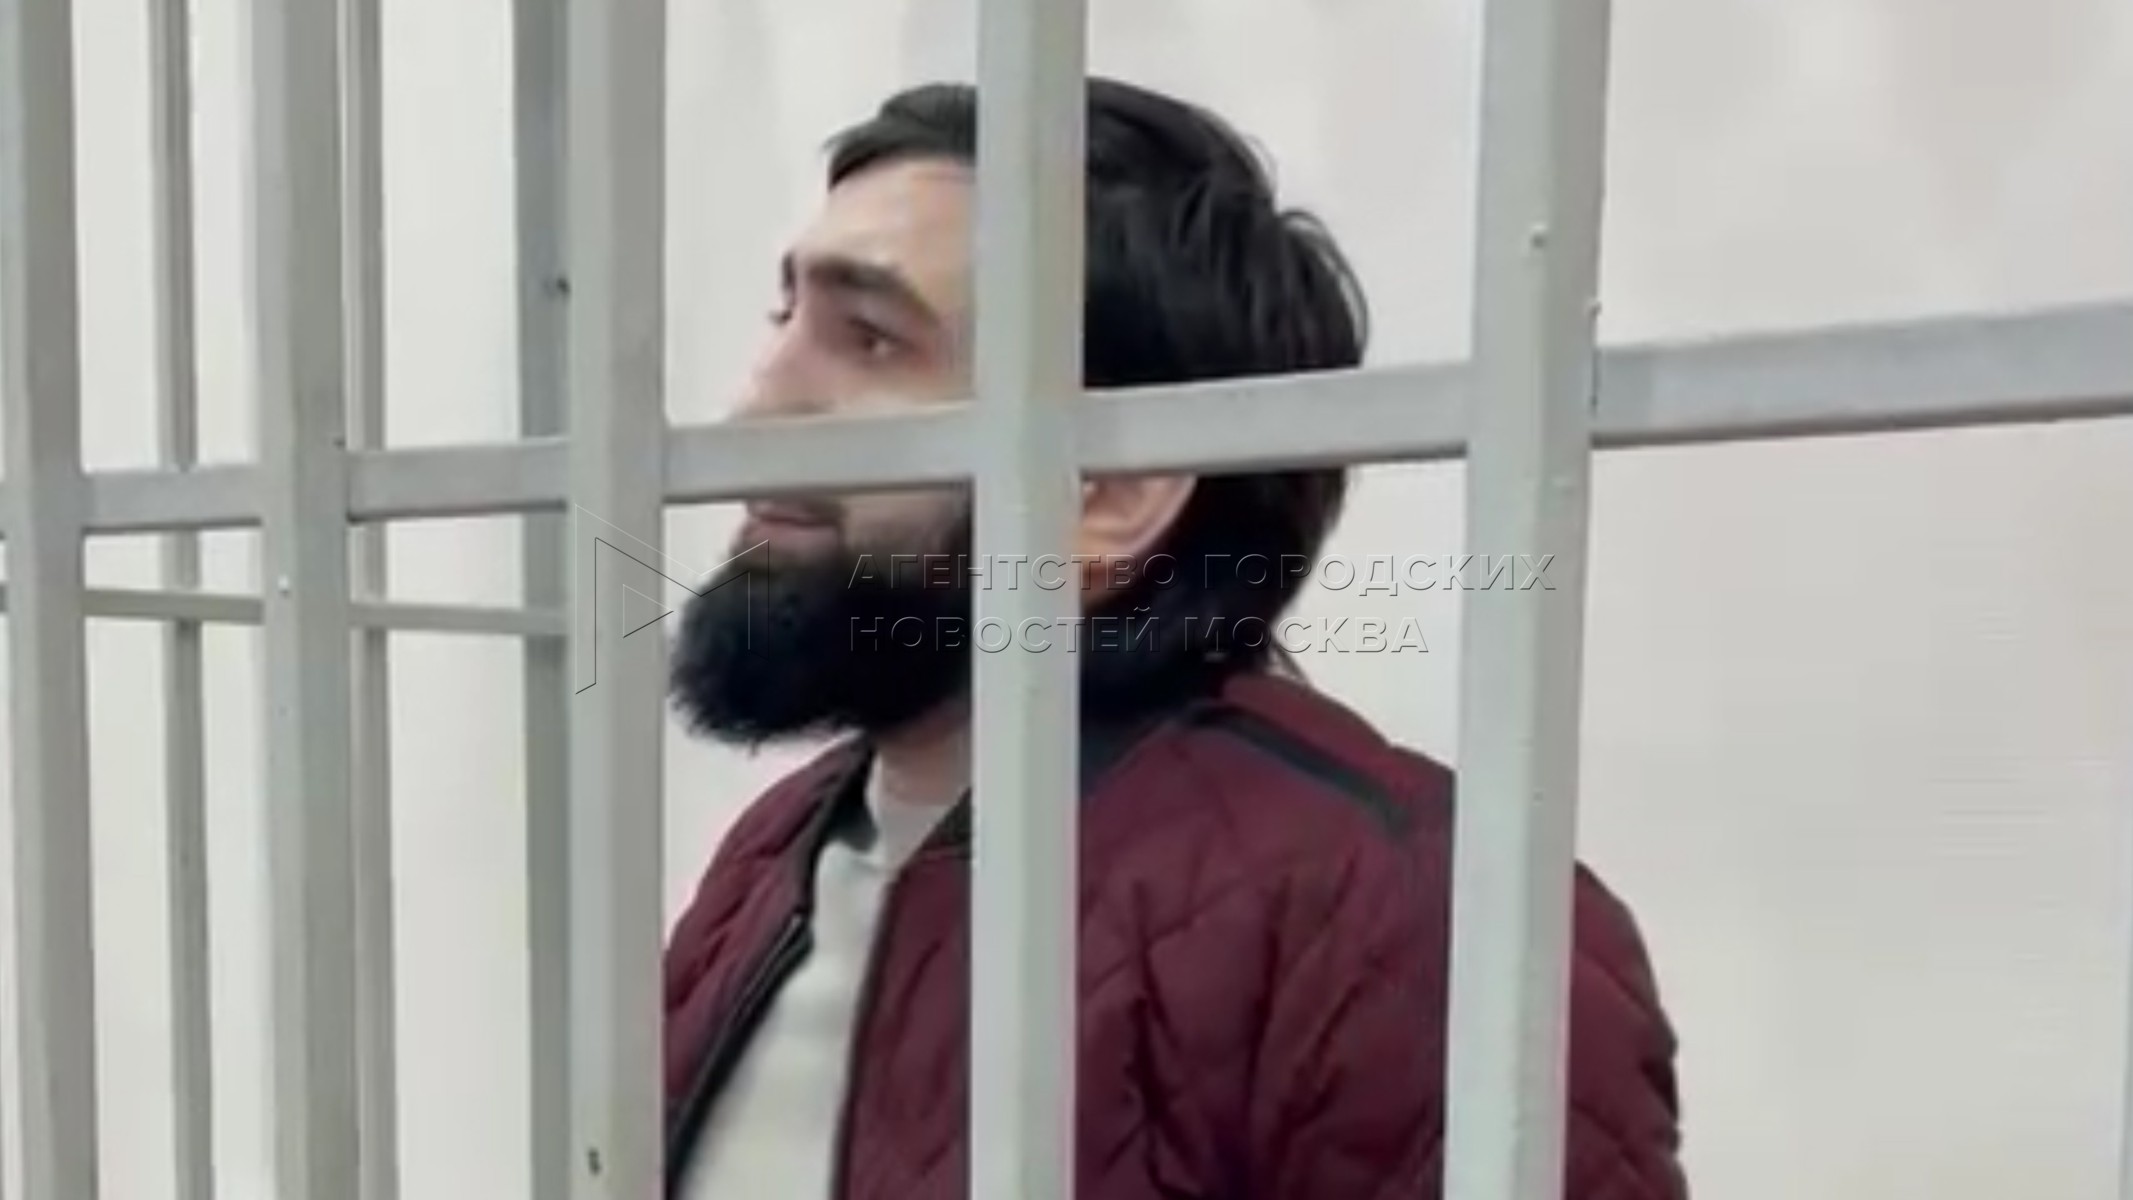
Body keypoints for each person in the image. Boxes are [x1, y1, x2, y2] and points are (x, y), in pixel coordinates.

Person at [662, 77, 1687, 1200]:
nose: (754, 408)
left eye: (869, 338)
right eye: (784, 319)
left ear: (1108, 493)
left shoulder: (1409, 919)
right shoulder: (776, 851)